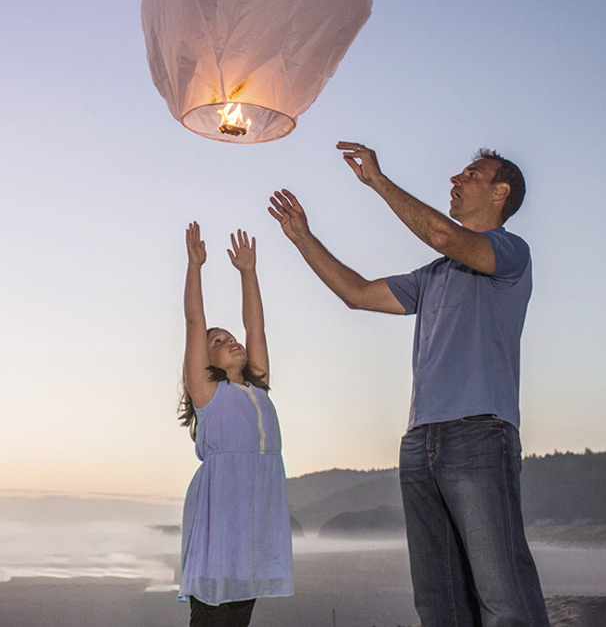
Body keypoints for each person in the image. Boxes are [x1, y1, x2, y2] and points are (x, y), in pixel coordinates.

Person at [268, 143, 549, 627]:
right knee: (439, 603)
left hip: (480, 435)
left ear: (500, 192)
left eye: (472, 174)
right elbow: (356, 294)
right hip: (421, 443)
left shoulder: (510, 252)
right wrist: (301, 237)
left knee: (505, 600)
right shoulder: (433, 276)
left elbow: (443, 234)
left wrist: (377, 181)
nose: (455, 179)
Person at [178, 222, 294, 627]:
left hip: (255, 516)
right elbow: (195, 323)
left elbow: (255, 327)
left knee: (239, 615)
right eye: (218, 342)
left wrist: (249, 273)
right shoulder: (209, 393)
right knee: (211, 615)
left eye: (229, 336)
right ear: (205, 362)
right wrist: (195, 266)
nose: (230, 340)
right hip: (221, 517)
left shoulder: (258, 389)